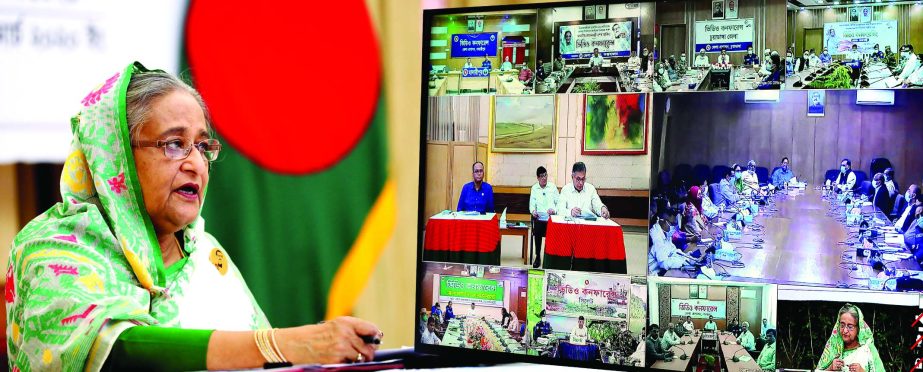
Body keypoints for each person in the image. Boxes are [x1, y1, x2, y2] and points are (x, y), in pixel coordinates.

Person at [6, 62, 384, 370]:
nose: (196, 165)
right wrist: (281, 343)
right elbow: (114, 350)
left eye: (203, 146)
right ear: (115, 156)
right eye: (174, 144)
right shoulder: (51, 248)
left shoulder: (206, 254)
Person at [816, 303, 885, 372]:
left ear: (858, 328)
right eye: (842, 325)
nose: (845, 330)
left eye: (850, 326)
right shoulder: (833, 348)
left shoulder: (867, 350)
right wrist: (830, 369)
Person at [648, 198, 695, 274]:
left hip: (665, 271)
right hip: (656, 274)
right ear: (663, 221)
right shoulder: (656, 236)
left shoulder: (665, 232)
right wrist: (683, 262)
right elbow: (664, 263)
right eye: (672, 224)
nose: (673, 227)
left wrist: (687, 257)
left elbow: (673, 251)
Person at [530, 166, 559, 268]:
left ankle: (549, 257)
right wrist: (533, 211)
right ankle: (538, 257)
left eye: (545, 175)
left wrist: (554, 210)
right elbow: (532, 204)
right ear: (538, 178)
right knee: (537, 227)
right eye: (542, 176)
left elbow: (559, 203)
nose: (544, 178)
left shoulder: (553, 187)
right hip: (539, 218)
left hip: (551, 218)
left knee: (554, 229)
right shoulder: (534, 188)